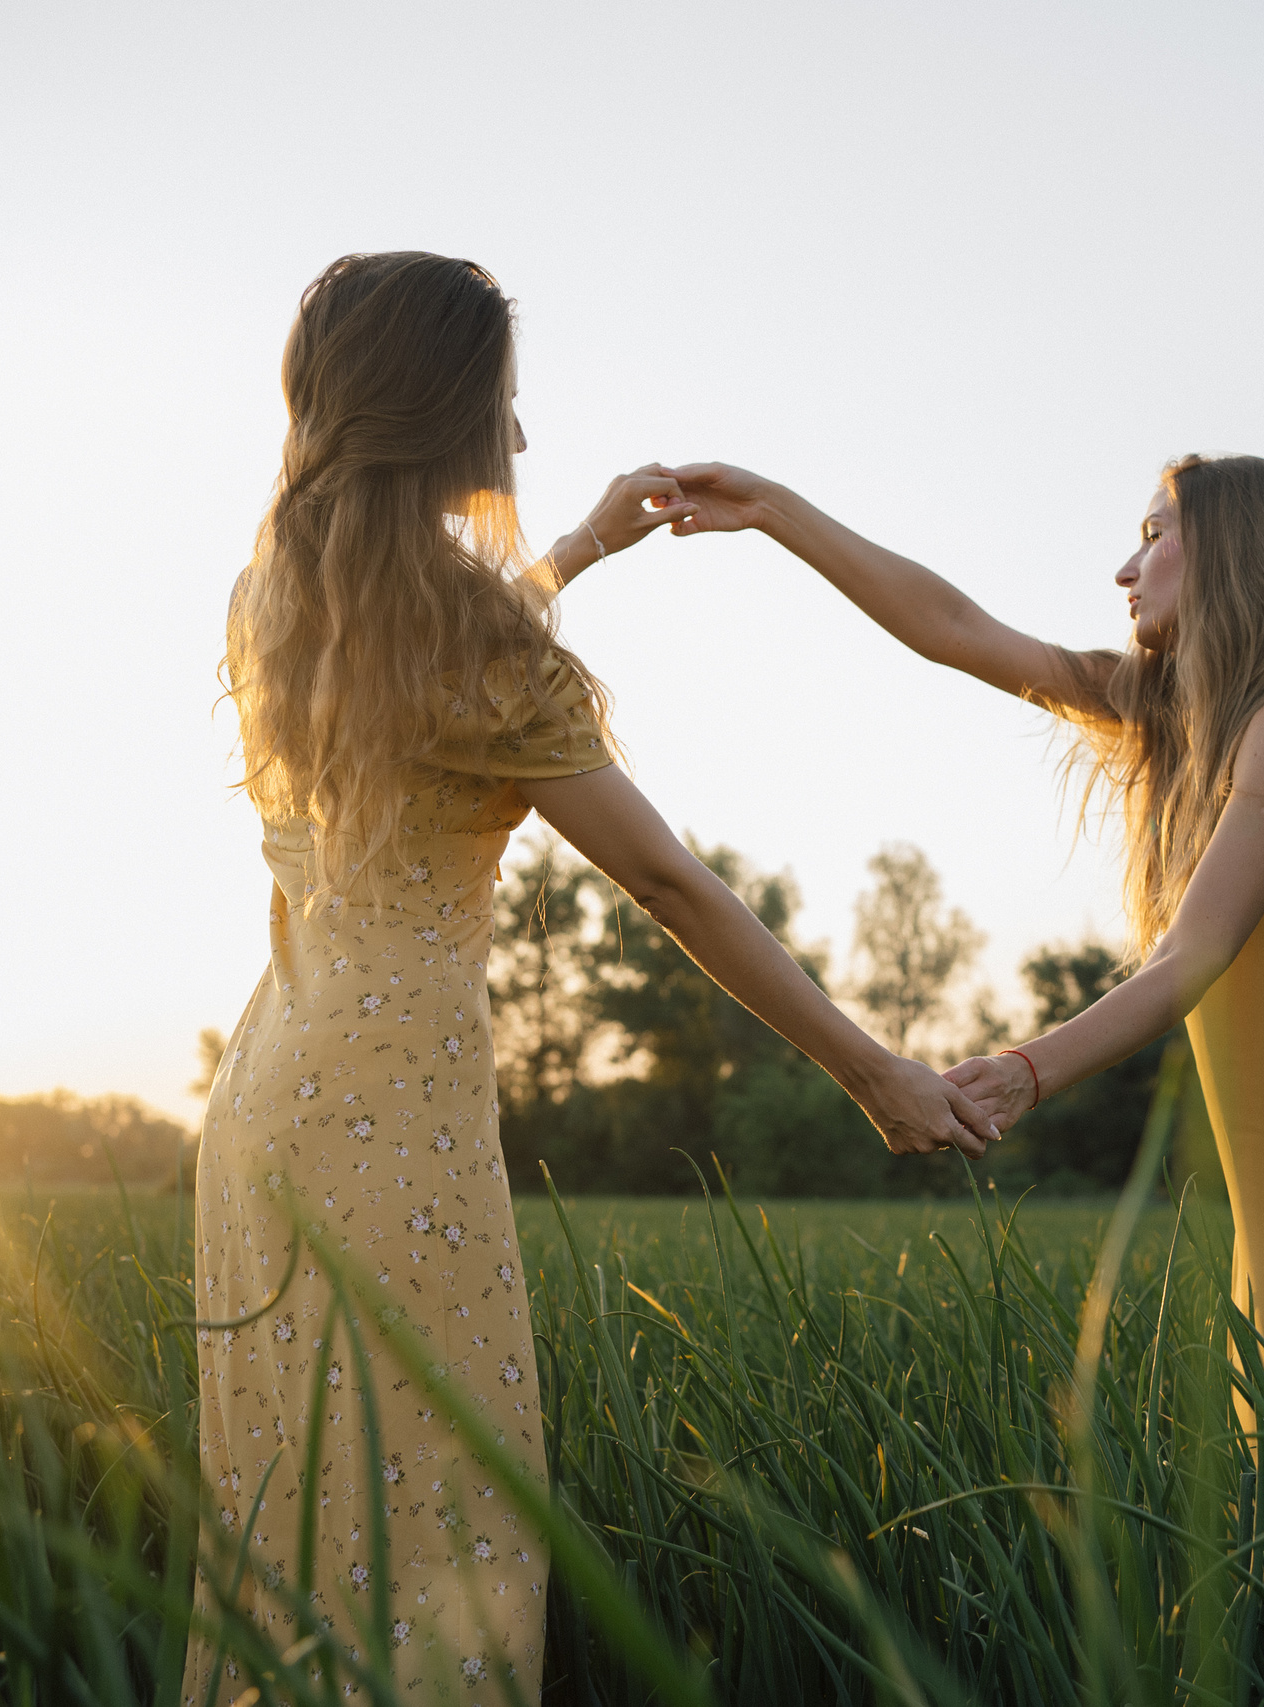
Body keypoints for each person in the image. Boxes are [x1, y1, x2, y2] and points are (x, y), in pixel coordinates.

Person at [186, 253, 996, 1707]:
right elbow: (672, 885)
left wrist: (573, 550)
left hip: (263, 1112)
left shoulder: (277, 587)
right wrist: (877, 1068)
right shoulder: (469, 638)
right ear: (440, 411)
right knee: (439, 1528)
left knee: (300, 1535)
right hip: (396, 1132)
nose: (520, 433)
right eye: (503, 401)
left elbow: (422, 675)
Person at [667, 455, 1264, 1452]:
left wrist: (1023, 1072)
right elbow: (957, 632)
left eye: (1152, 535)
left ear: (1231, 551)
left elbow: (1192, 955)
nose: (1124, 569)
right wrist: (775, 512)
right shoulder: (1183, 723)